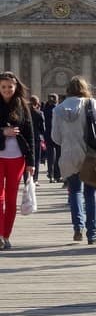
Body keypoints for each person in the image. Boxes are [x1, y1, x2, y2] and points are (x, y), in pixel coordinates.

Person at [52, 76, 96, 244]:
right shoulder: (90, 104)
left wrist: (68, 143)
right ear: (84, 88)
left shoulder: (58, 109)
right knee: (90, 193)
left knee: (74, 191)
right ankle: (93, 234)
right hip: (89, 154)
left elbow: (55, 137)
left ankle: (77, 228)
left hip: (69, 155)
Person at [0, 71, 34, 251]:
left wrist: (31, 162)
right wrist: (3, 133)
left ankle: (6, 235)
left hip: (17, 158)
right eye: (3, 87)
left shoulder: (22, 105)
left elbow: (30, 135)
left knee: (11, 199)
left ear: (15, 87)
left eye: (10, 87)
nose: (7, 90)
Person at [42, 93, 60, 182]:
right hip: (58, 134)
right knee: (58, 156)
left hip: (48, 134)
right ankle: (57, 175)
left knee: (50, 156)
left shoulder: (44, 109)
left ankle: (51, 174)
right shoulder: (58, 109)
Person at [28, 95, 44, 182]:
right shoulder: (39, 113)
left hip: (26, 138)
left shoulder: (25, 112)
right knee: (36, 159)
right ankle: (35, 179)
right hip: (36, 138)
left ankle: (26, 178)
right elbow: (43, 128)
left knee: (26, 159)